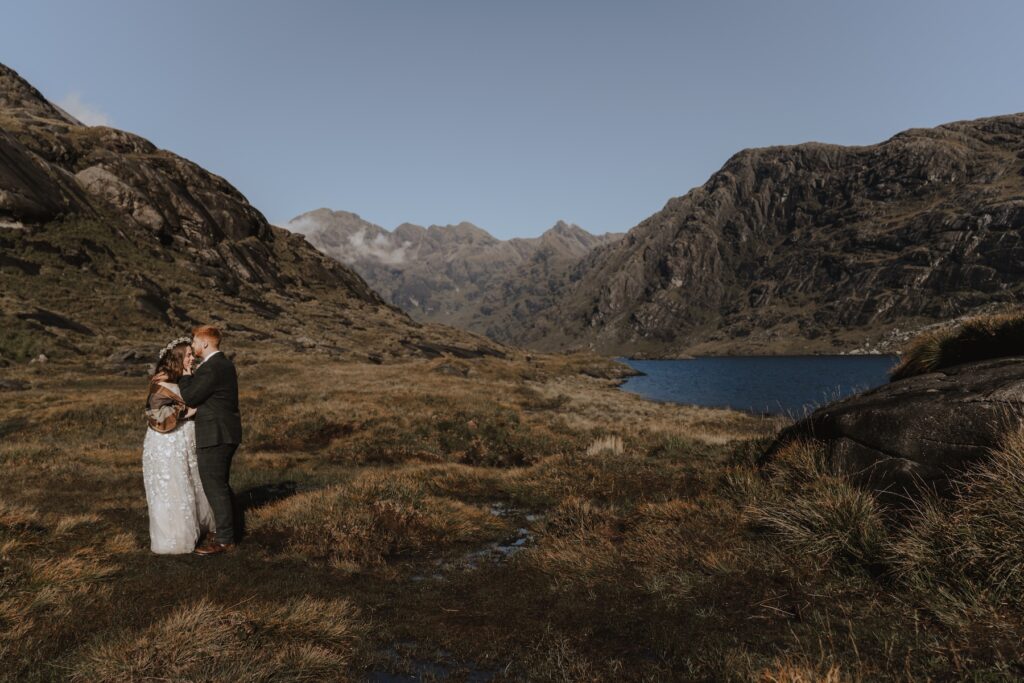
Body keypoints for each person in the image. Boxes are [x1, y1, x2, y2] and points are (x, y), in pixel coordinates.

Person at [142, 337, 215, 554]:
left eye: (193, 354)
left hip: (185, 438)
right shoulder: (161, 382)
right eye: (188, 355)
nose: (193, 358)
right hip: (166, 441)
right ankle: (174, 536)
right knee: (173, 483)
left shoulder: (186, 377)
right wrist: (187, 412)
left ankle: (200, 528)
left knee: (192, 481)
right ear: (177, 358)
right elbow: (156, 413)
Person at [177, 325, 243, 555]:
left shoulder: (213, 367)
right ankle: (230, 530)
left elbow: (191, 396)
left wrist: (185, 376)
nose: (193, 345)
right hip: (224, 432)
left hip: (216, 434)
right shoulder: (221, 365)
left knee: (214, 485)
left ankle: (225, 539)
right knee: (220, 484)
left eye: (194, 341)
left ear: (205, 343)